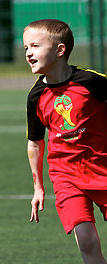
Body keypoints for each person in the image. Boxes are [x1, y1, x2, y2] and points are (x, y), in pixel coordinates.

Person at [24, 19, 107, 264]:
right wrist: (38, 187)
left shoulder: (92, 82)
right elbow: (35, 143)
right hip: (67, 177)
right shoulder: (36, 96)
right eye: (26, 47)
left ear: (60, 50)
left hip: (103, 168)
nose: (28, 52)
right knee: (87, 240)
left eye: (35, 46)